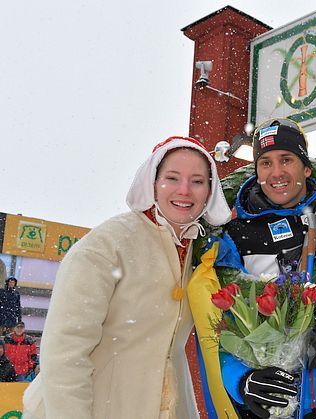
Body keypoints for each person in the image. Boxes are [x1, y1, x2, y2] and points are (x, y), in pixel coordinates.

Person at [192, 119, 316, 419]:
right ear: (256, 170)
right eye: (266, 163)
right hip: (266, 401)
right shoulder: (235, 235)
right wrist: (241, 381)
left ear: (306, 167)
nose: (276, 172)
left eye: (286, 160)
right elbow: (217, 327)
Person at [22, 136, 232, 419]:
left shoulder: (196, 253)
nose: (184, 190)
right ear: (153, 183)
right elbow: (64, 353)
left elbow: (171, 350)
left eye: (197, 181)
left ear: (210, 191)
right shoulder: (108, 245)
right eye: (172, 178)